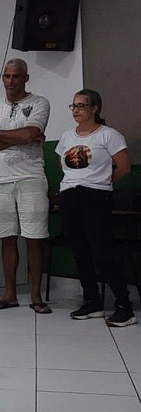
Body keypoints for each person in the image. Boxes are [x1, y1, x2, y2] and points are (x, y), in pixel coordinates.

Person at [55, 89, 136, 327]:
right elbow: (64, 168)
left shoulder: (109, 135)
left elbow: (123, 167)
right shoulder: (66, 137)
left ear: (94, 109)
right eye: (73, 106)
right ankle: (92, 302)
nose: (76, 110)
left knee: (101, 253)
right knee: (79, 252)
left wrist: (100, 183)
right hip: (70, 196)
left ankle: (124, 306)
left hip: (96, 196)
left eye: (81, 105)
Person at [0, 58, 51, 313]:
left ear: (25, 78)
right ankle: (9, 295)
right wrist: (22, 137)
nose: (10, 81)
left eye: (16, 76)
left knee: (34, 238)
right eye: (7, 76)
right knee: (7, 239)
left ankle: (36, 297)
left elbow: (30, 134)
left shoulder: (39, 103)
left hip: (31, 177)